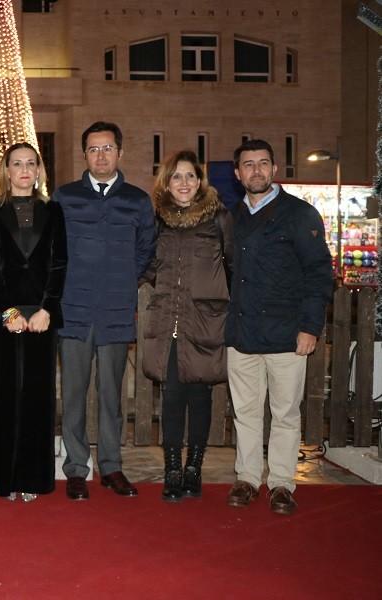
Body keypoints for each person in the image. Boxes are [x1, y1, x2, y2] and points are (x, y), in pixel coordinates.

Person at [225, 139, 332, 515]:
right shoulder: (231, 217)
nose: (256, 170)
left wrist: (310, 326)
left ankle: (283, 484)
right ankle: (248, 478)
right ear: (237, 174)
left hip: (288, 335)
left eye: (263, 163)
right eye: (248, 165)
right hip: (242, 334)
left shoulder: (300, 215)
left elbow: (319, 274)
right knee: (247, 413)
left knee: (286, 414)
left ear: (274, 169)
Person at [55, 121, 155, 501]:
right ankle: (77, 468)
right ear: (84, 155)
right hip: (74, 311)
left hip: (115, 311)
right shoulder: (65, 198)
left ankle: (112, 466)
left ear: (120, 153)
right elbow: (54, 250)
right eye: (94, 149)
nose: (101, 155)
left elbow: (147, 249)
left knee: (112, 395)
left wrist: (126, 280)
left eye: (107, 148)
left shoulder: (137, 200)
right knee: (75, 394)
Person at [141, 150, 234, 502]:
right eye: (177, 176)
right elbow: (147, 261)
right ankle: (172, 469)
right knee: (172, 396)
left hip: (205, 320)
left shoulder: (219, 218)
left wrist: (214, 295)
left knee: (200, 395)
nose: (184, 183)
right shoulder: (159, 219)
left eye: (190, 176)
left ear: (200, 181)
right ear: (167, 182)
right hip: (169, 320)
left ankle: (194, 466)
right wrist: (164, 283)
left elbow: (232, 263)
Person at [0, 142, 67, 502]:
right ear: (7, 171)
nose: (25, 170)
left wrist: (47, 309)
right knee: (4, 398)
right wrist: (7, 312)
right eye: (17, 164)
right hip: (5, 315)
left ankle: (33, 479)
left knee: (37, 398)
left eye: (31, 163)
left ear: (39, 170)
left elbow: (59, 263)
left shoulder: (54, 211)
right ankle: (8, 480)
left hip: (43, 316)